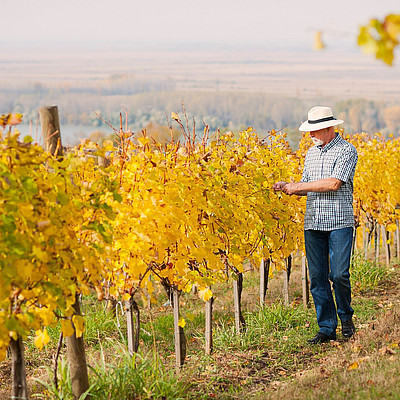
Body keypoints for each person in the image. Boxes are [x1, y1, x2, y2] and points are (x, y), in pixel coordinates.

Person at [273, 106, 358, 344]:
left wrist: (298, 186)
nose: (310, 135)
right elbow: (308, 186)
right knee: (318, 279)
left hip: (339, 222)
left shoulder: (346, 151)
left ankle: (345, 318)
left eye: (315, 130)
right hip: (313, 223)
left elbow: (333, 184)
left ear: (330, 128)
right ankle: (326, 328)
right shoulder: (310, 154)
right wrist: (288, 186)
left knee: (339, 274)